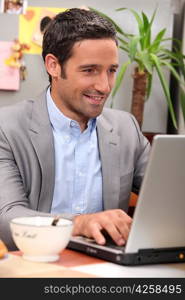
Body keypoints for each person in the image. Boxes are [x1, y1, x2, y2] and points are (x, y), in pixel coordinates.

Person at [0, 8, 150, 250]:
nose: (104, 86)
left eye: (111, 70)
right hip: (33, 267)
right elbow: (7, 218)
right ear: (53, 66)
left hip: (107, 271)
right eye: (89, 70)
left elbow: (169, 196)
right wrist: (79, 224)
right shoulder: (6, 127)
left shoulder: (126, 128)